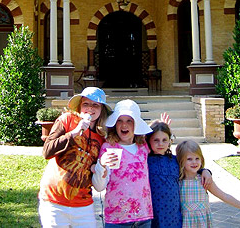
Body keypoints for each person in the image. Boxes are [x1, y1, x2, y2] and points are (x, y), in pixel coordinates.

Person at [38, 86, 112, 228]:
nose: (90, 109)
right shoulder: (67, 120)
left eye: (95, 105)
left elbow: (96, 174)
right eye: (86, 104)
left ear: (101, 109)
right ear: (79, 106)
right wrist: (74, 132)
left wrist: (96, 167)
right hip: (54, 201)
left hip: (83, 205)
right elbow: (47, 151)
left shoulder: (102, 138)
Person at [93, 99, 154, 227]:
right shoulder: (109, 147)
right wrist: (101, 164)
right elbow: (99, 186)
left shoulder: (144, 147)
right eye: (119, 120)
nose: (124, 125)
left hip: (143, 216)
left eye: (129, 121)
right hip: (117, 219)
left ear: (136, 124)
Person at [176, 140, 240, 227]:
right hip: (184, 223)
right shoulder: (177, 181)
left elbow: (224, 196)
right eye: (189, 159)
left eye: (197, 158)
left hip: (203, 223)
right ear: (181, 161)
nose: (194, 162)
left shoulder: (204, 180)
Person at [146, 122, 212, 228]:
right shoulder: (145, 161)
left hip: (173, 217)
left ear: (169, 141)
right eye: (156, 140)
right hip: (153, 215)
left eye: (164, 140)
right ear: (149, 140)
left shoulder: (175, 161)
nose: (161, 144)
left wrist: (205, 171)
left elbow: (191, 167)